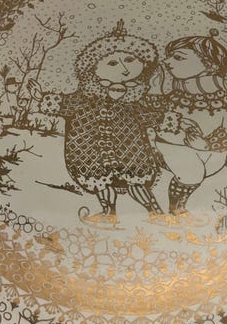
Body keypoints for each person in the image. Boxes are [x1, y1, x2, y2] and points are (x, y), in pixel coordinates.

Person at [28, 20, 179, 227]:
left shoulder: (135, 97)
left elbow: (146, 115)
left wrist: (166, 119)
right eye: (112, 63)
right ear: (93, 68)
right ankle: (109, 213)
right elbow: (65, 103)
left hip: (130, 147)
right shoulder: (84, 97)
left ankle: (156, 213)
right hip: (89, 148)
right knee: (99, 180)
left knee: (136, 180)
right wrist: (41, 98)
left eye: (129, 60)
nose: (124, 69)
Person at [156, 29, 227, 218]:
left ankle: (178, 204)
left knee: (202, 169)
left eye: (178, 57)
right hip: (171, 145)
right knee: (191, 172)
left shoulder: (225, 99)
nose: (167, 62)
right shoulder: (174, 96)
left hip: (210, 151)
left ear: (208, 64)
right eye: (169, 57)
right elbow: (156, 118)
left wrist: (208, 143)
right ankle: (176, 208)